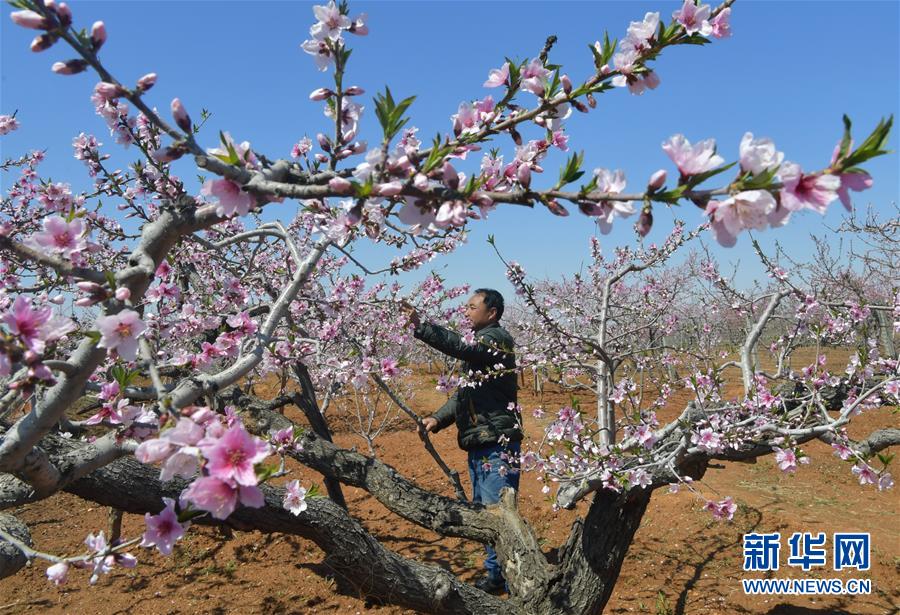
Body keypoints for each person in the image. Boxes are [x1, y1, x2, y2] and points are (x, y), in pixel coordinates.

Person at [405, 288, 522, 594]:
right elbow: (463, 394)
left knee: (500, 516)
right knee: (486, 514)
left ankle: (516, 582)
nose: (466, 312)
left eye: (472, 307)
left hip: (497, 443)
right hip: (480, 441)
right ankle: (498, 576)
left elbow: (461, 346)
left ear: (491, 313)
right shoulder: (480, 352)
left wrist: (421, 327)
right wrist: (438, 418)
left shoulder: (496, 340)